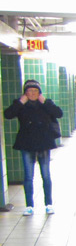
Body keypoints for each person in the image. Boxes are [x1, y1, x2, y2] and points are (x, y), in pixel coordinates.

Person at [3, 79, 62, 215]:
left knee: (46, 175)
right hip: (27, 143)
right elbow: (8, 114)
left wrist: (45, 101)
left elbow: (59, 113)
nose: (32, 93)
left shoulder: (45, 104)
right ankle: (29, 205)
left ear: (39, 92)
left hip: (43, 143)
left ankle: (49, 204)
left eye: (35, 91)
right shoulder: (20, 105)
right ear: (25, 93)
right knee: (28, 176)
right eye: (29, 91)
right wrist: (20, 102)